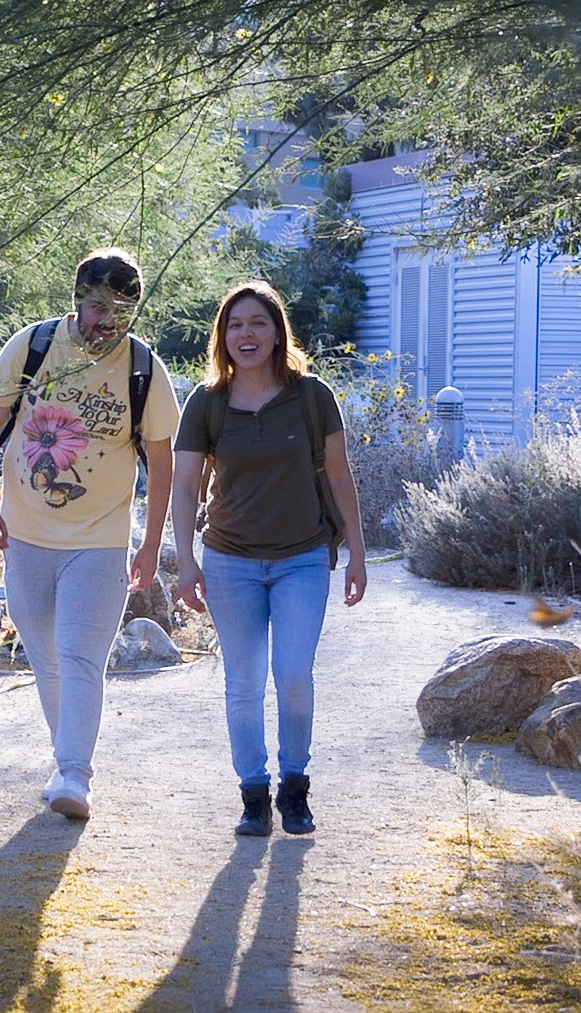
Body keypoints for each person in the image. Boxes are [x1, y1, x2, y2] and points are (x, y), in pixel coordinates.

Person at [0, 247, 179, 820]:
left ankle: (74, 774)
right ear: (75, 302)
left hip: (101, 537)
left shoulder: (142, 368)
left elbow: (163, 464)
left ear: (134, 312)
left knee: (80, 654)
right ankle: (67, 757)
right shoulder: (33, 346)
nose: (104, 322)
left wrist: (150, 543)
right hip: (26, 535)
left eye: (118, 311)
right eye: (94, 307)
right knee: (45, 656)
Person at [172, 280, 367, 837]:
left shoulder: (312, 396)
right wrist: (185, 560)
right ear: (223, 337)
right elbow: (186, 486)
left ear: (277, 332)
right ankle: (253, 796)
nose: (246, 334)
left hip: (302, 558)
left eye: (258, 323)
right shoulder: (206, 403)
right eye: (235, 325)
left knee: (293, 673)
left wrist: (356, 549)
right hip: (229, 561)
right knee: (244, 681)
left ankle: (295, 786)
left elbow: (338, 473)